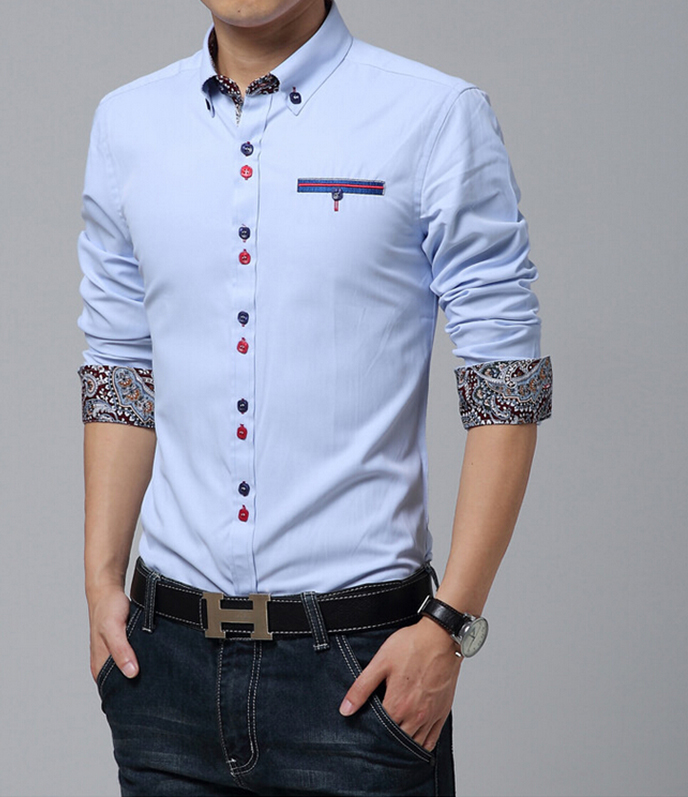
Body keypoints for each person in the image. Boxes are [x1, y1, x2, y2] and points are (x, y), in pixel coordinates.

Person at [76, 1, 552, 794]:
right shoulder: (127, 125)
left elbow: (507, 381)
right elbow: (121, 366)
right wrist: (100, 582)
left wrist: (449, 622)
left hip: (360, 672)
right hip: (166, 670)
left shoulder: (434, 116)